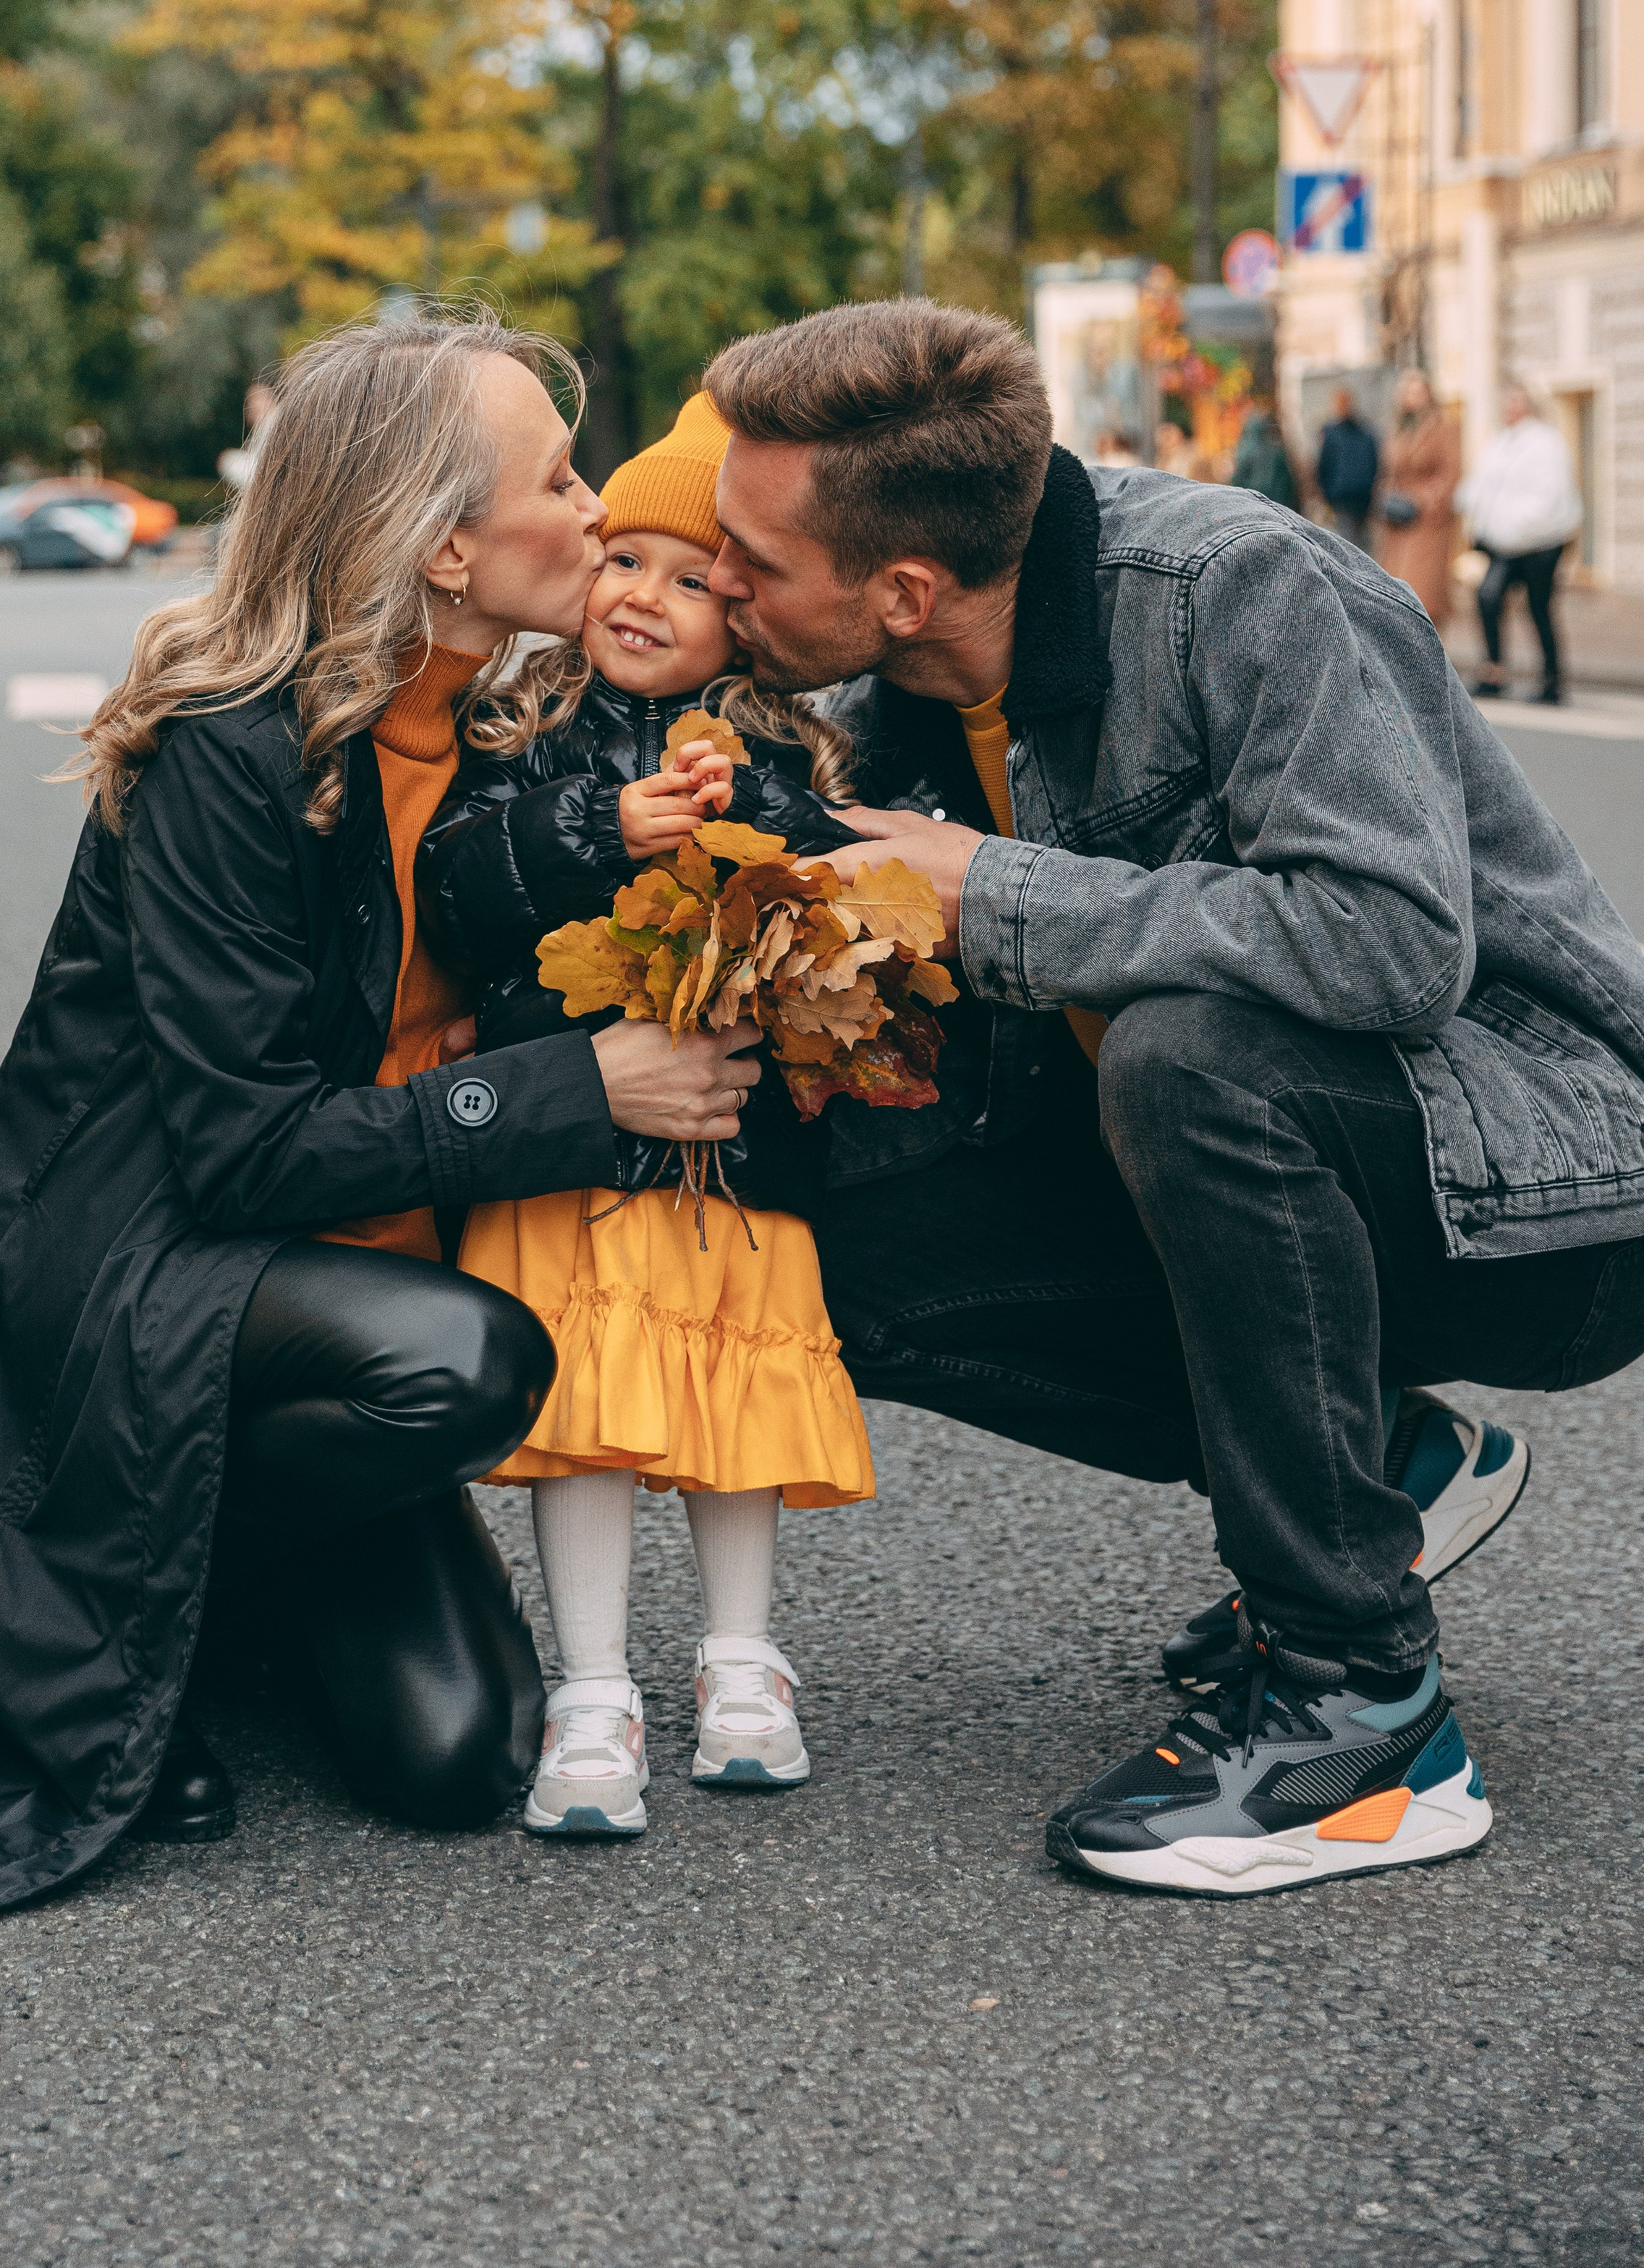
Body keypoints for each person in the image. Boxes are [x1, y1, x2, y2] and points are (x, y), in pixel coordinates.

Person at [0, 310, 764, 1937]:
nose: (602, 507)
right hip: (132, 1282)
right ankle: (76, 1601)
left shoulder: (494, 732)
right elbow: (243, 1152)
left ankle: (199, 1598)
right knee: (467, 1363)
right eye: (560, 474)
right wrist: (577, 1088)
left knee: (458, 1761)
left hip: (314, 1292)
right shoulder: (233, 751)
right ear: (445, 546)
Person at [700, 296, 1644, 1898]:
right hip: (1272, 1188)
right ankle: (1380, 1469)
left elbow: (1388, 949)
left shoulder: (1239, 590)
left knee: (1188, 1052)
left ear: (903, 588)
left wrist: (990, 886)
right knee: (806, 1214)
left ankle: (1367, 1717)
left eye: (748, 561)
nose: (717, 578)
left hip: (1537, 1194)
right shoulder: (882, 696)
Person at [418, 393, 869, 1837]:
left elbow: (829, 906)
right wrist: (604, 827)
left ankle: (742, 1663)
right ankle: (592, 1685)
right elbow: (462, 886)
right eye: (625, 561)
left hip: (732, 1164)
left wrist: (753, 828)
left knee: (730, 1415)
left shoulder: (770, 755)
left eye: (692, 582)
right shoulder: (524, 732)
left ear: (741, 621)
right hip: (568, 1158)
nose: (645, 600)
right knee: (590, 1424)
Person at [1457, 383, 1582, 706]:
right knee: (1488, 597)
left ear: (1529, 407)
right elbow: (1481, 485)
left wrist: (1515, 527)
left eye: (1516, 404)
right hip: (1502, 544)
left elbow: (1549, 496)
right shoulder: (1500, 442)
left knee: (1539, 608)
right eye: (1507, 404)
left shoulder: (1546, 443)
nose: (1510, 410)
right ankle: (1494, 671)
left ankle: (1553, 678)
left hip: (1540, 543)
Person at [1376, 371, 1459, 629]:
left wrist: (1423, 500)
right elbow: (1388, 471)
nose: (1411, 399)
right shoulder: (1399, 429)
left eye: (1417, 392)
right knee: (1395, 590)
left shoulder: (1443, 428)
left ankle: (1430, 654)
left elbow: (1452, 473)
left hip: (1428, 521)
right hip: (1398, 521)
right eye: (1406, 392)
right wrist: (1388, 497)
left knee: (1424, 592)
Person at [1315, 385, 1378, 548]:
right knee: (1349, 545)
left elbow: (1374, 464)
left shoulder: (1365, 432)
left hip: (1363, 499)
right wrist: (1328, 495)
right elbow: (1323, 466)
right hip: (1341, 501)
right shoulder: (1330, 433)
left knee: (1362, 546)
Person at [1228, 402, 1300, 512]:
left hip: (1255, 503)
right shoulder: (1276, 451)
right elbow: (1287, 481)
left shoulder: (1244, 452)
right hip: (1279, 503)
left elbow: (1237, 480)